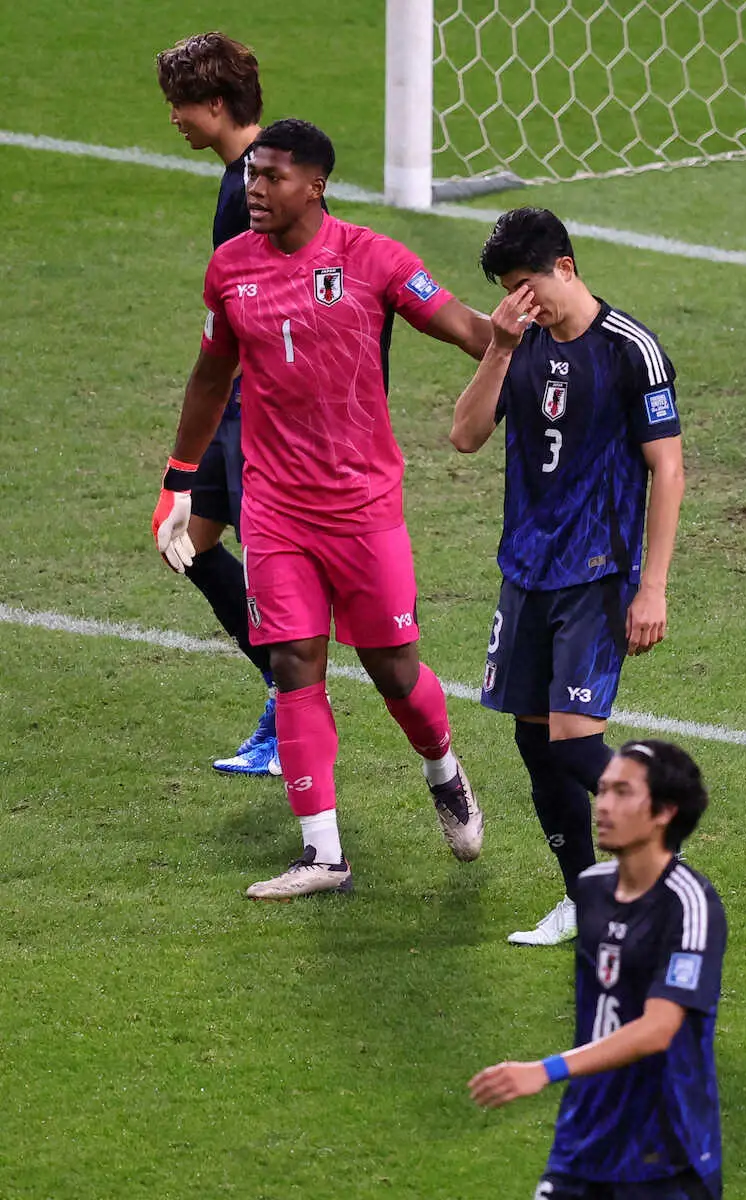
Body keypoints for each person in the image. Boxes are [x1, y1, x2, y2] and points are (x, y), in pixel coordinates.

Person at [151, 118, 491, 899]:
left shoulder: (375, 260)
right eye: (250, 175)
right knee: (293, 663)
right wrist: (178, 480)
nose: (253, 188)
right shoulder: (230, 269)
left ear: (316, 185)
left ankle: (443, 770)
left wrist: (519, 343)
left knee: (394, 672)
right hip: (274, 506)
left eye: (270, 176)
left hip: (362, 505)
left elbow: (465, 328)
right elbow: (209, 379)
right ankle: (322, 854)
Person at [450, 208, 685, 944]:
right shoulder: (517, 342)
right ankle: (586, 898)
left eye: (527, 285)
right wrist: (497, 346)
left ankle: (664, 848)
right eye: (508, 290)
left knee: (576, 743)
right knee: (532, 741)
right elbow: (464, 437)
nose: (521, 301)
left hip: (596, 572)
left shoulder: (629, 350)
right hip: (525, 569)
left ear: (567, 268)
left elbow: (667, 468)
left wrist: (652, 586)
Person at [469, 739, 726, 1200]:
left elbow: (659, 1029)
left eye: (622, 793)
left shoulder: (689, 904)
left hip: (664, 1148)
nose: (602, 805)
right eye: (602, 790)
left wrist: (545, 1070)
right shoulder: (591, 891)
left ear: (665, 811)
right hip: (584, 1134)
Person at [155, 32, 279, 776]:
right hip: (237, 407)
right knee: (187, 545)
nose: (172, 119)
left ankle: (291, 705)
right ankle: (281, 691)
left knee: (264, 566)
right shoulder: (247, 173)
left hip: (257, 413)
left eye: (178, 105)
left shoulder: (256, 188)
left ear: (213, 103)